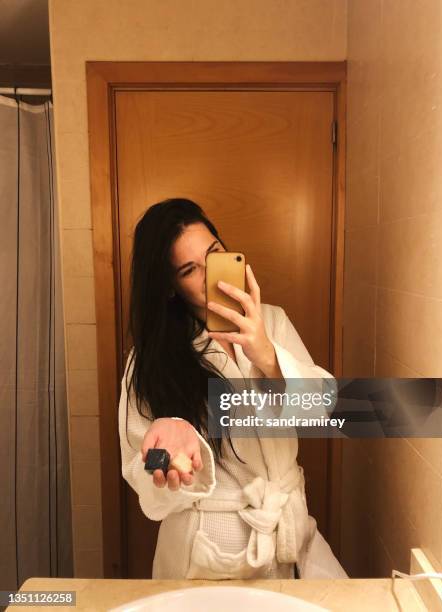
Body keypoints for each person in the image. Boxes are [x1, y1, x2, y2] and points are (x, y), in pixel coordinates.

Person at [118, 198, 348, 580]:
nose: (213, 276)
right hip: (207, 554)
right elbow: (143, 476)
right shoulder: (150, 361)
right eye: (191, 269)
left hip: (291, 536)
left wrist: (267, 355)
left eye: (216, 254)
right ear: (171, 287)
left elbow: (325, 410)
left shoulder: (272, 323)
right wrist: (169, 459)